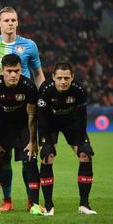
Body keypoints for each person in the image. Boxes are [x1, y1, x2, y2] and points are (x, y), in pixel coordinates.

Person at [0, 6, 46, 212]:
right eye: (6, 20)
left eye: (13, 20)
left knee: (28, 159)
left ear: (17, 22)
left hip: (24, 109)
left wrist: (44, 97)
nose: (10, 23)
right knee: (1, 160)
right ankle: (7, 199)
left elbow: (38, 73)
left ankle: (32, 201)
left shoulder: (29, 46)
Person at [0, 54, 42, 216]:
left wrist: (32, 141)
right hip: (1, 127)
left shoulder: (29, 86)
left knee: (30, 161)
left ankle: (33, 203)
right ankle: (1, 203)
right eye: (9, 71)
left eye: (16, 71)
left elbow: (32, 116)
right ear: (2, 70)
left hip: (23, 127)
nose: (13, 75)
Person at [37, 62, 96, 216]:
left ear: (72, 78)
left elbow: (82, 118)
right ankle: (49, 206)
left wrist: (83, 140)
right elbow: (42, 119)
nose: (63, 81)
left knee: (85, 155)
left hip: (72, 124)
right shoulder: (45, 89)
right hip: (50, 126)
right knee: (47, 156)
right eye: (60, 78)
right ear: (53, 77)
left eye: (66, 78)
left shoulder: (79, 90)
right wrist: (47, 143)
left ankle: (84, 205)